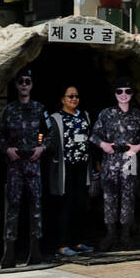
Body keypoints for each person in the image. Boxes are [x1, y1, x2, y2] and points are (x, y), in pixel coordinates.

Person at [0, 69, 50, 268]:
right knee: (12, 209)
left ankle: (35, 252)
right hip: (15, 166)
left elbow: (50, 132)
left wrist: (42, 148)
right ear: (16, 85)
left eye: (28, 81)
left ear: (32, 85)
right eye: (21, 82)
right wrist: (7, 149)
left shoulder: (39, 108)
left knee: (36, 208)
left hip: (33, 165)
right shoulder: (9, 110)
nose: (24, 85)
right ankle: (9, 254)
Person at [90, 75, 140, 250]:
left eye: (127, 91)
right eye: (119, 91)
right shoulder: (106, 114)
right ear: (115, 93)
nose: (123, 95)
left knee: (128, 197)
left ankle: (125, 235)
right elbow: (94, 135)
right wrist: (103, 145)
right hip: (111, 160)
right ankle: (110, 235)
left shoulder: (139, 115)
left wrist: (138, 147)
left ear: (132, 94)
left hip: (129, 159)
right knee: (109, 198)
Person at [45, 83, 95, 258]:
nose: (74, 99)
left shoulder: (85, 116)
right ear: (62, 99)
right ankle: (62, 244)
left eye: (76, 96)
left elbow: (90, 140)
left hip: (82, 167)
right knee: (64, 206)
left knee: (80, 205)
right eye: (70, 96)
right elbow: (49, 141)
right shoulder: (55, 118)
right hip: (64, 169)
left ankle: (79, 241)